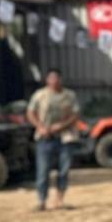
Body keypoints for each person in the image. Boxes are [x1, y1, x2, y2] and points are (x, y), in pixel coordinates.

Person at [27, 69, 80, 210]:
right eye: (51, 78)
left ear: (60, 79)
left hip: (65, 137)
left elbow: (75, 114)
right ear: (47, 80)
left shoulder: (69, 95)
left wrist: (61, 126)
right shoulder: (40, 95)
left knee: (64, 170)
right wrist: (40, 127)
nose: (54, 81)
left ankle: (60, 201)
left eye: (57, 78)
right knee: (43, 171)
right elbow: (31, 112)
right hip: (44, 137)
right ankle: (42, 201)